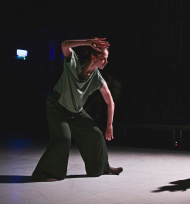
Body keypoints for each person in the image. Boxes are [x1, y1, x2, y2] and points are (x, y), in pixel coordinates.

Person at [32, 38, 123, 182]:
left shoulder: (97, 78)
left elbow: (110, 101)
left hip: (76, 112)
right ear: (94, 57)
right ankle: (46, 173)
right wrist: (88, 41)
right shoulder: (73, 64)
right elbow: (64, 45)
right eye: (104, 59)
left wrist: (109, 125)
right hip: (57, 107)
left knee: (95, 134)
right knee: (63, 139)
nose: (106, 62)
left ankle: (102, 166)